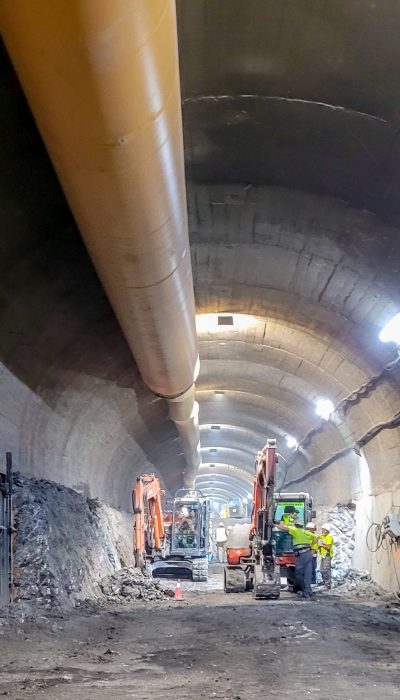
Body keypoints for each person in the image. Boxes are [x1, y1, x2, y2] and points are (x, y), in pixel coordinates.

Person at [275, 520, 318, 598]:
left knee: (299, 573)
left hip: (302, 554)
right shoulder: (305, 532)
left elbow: (284, 528)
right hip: (308, 553)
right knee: (307, 573)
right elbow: (316, 537)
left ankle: (304, 592)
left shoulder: (296, 530)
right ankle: (309, 591)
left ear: (296, 525)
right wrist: (311, 545)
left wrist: (273, 524)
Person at [318, 523, 334, 589]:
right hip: (323, 555)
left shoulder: (329, 537)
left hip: (327, 555)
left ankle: (327, 584)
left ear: (327, 530)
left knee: (326, 569)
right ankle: (325, 582)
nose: (322, 530)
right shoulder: (323, 536)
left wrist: (321, 545)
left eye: (323, 529)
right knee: (321, 569)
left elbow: (328, 547)